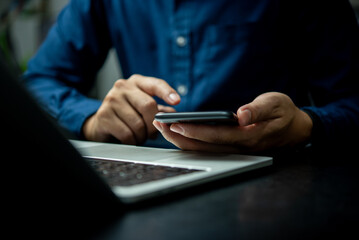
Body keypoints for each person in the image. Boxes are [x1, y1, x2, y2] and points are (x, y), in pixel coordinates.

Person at [23, 0, 359, 153]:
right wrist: (92, 119)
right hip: (151, 166)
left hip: (275, 178)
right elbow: (39, 81)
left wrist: (305, 126)